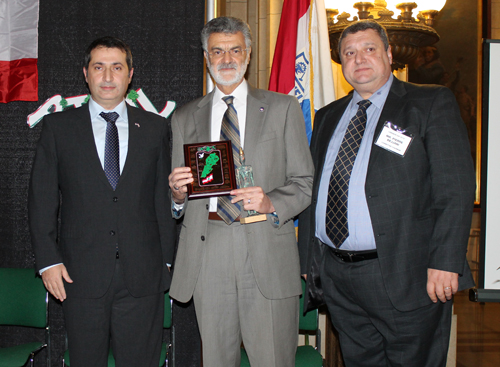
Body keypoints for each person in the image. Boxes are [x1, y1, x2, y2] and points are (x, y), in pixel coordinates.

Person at [298, 20, 475, 367]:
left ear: (389, 54)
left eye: (369, 49)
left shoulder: (429, 102)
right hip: (338, 276)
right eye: (349, 53)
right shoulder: (328, 116)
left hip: (406, 274)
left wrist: (446, 261)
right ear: (341, 61)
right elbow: (314, 189)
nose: (359, 59)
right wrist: (309, 259)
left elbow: (454, 188)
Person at [168, 16, 313, 367]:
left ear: (248, 55)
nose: (227, 59)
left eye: (235, 50)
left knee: (273, 360)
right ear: (206, 57)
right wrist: (176, 195)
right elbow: (179, 198)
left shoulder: (282, 108)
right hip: (208, 251)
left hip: (265, 243)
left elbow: (304, 182)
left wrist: (270, 201)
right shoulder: (184, 117)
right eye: (217, 51)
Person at [29, 36, 175, 367]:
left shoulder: (154, 128)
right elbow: (41, 200)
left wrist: (166, 261)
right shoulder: (58, 128)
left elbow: (160, 198)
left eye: (116, 67)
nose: (107, 77)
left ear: (130, 74)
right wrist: (48, 261)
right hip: (79, 277)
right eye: (99, 67)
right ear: (85, 73)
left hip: (144, 276)